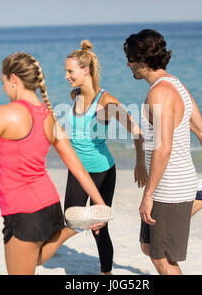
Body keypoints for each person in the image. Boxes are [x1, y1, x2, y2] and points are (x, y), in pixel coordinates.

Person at [0, 52, 108, 275]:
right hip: (49, 206)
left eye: (3, 82)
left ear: (14, 79)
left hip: (23, 211)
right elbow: (78, 167)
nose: (3, 88)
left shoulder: (4, 114)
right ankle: (72, 227)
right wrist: (100, 205)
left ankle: (73, 227)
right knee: (36, 258)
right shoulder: (48, 116)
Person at [123, 29, 202, 275]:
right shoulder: (177, 85)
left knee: (163, 259)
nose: (127, 64)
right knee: (147, 246)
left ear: (142, 61)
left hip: (169, 188)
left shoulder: (161, 93)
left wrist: (149, 194)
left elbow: (163, 148)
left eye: (130, 59)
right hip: (174, 183)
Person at [63, 40, 148, 275]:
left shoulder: (106, 102)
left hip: (101, 170)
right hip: (77, 170)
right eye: (66, 72)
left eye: (70, 71)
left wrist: (139, 163)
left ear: (85, 70)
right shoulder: (74, 94)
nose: (67, 77)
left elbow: (136, 131)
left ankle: (106, 274)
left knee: (99, 229)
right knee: (71, 219)